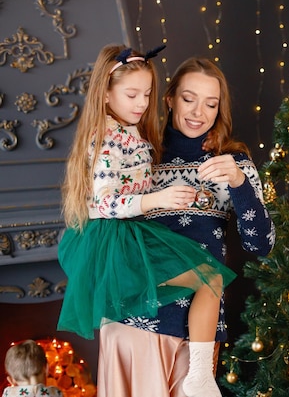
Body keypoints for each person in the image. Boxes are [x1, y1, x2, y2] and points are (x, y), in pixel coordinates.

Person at [57, 44, 237, 397]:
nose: (141, 103)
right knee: (209, 277)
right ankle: (199, 376)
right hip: (116, 239)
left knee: (209, 279)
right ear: (106, 95)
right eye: (131, 94)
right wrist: (157, 199)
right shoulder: (108, 137)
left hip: (132, 233)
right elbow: (102, 203)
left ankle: (197, 372)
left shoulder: (130, 131)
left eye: (147, 94)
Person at [96, 57, 275, 397]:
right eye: (188, 99)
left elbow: (261, 246)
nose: (198, 112)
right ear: (169, 99)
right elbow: (105, 216)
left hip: (199, 339)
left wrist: (240, 184)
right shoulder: (139, 154)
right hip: (137, 318)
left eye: (211, 103)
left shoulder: (232, 163)